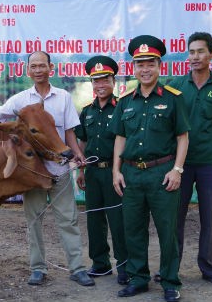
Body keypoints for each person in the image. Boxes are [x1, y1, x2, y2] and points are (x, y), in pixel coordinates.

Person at [0, 51, 94, 287]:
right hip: (33, 173)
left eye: (41, 66)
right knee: (33, 221)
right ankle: (37, 269)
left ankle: (77, 268)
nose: (38, 70)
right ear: (28, 71)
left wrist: (78, 153)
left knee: (68, 219)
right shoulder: (20, 99)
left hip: (61, 169)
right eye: (33, 66)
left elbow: (69, 132)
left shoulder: (63, 97)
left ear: (50, 68)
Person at [110, 35, 190, 302]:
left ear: (159, 67)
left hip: (162, 173)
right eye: (140, 64)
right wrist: (116, 171)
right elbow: (120, 137)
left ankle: (169, 281)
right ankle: (139, 278)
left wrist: (177, 170)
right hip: (131, 174)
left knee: (167, 230)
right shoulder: (124, 102)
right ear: (134, 67)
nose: (145, 69)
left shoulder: (172, 98)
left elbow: (182, 137)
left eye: (150, 64)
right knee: (133, 229)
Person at [168, 32, 212, 288]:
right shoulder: (175, 85)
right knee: (175, 217)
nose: (194, 57)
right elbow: (168, 126)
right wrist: (172, 165)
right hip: (181, 164)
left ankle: (209, 268)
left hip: (210, 163)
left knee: (210, 217)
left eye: (200, 51)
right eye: (191, 52)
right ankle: (170, 268)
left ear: (211, 54)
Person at [74, 55, 128, 285]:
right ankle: (100, 264)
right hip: (93, 173)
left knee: (118, 220)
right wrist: (81, 171)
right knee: (94, 220)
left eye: (105, 79)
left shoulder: (123, 108)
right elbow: (82, 142)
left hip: (114, 173)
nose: (100, 85)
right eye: (96, 81)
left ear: (113, 81)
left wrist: (120, 172)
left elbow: (124, 141)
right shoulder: (87, 111)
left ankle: (125, 266)